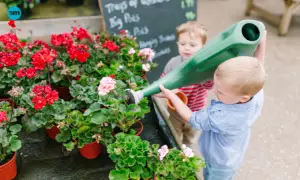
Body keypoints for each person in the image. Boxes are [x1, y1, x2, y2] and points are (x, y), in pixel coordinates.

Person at [158, 31, 267, 180]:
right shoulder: (255, 93)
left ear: (243, 98)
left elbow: (191, 117)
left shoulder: (221, 117)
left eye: (220, 91)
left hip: (219, 162)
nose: (214, 91)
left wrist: (172, 95)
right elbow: (258, 65)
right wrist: (262, 43)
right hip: (233, 153)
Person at [155, 21, 213, 147]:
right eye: (182, 44)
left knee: (190, 137)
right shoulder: (173, 63)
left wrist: (203, 73)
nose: (186, 47)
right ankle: (175, 152)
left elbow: (209, 86)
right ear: (177, 44)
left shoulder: (203, 66)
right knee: (173, 135)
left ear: (203, 47)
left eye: (192, 45)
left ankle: (187, 151)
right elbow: (162, 82)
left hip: (196, 112)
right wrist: (167, 90)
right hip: (175, 110)